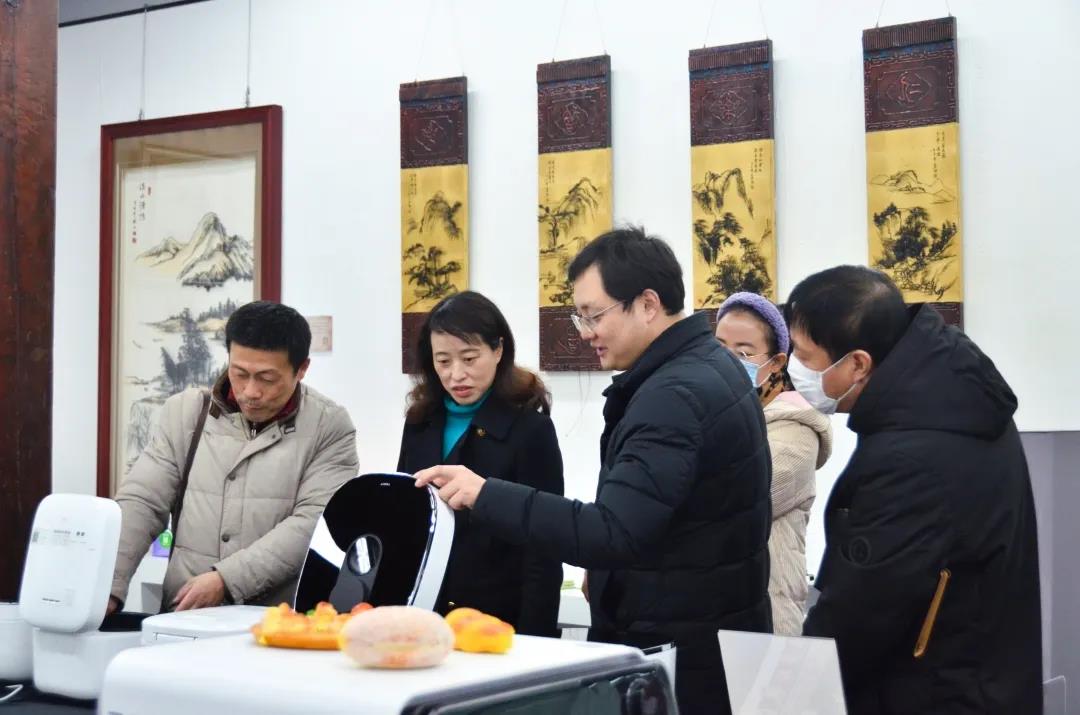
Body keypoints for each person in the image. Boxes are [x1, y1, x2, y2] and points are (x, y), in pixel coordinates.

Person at [415, 227, 772, 714]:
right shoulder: (710, 365)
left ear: (647, 304)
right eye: (579, 317)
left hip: (680, 649)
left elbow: (614, 531)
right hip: (705, 631)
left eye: (593, 315)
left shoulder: (674, 396)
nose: (585, 332)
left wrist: (485, 493)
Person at [785, 266, 1042, 714]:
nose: (795, 368)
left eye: (805, 357)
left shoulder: (911, 457)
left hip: (934, 689)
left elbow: (866, 608)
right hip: (982, 675)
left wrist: (793, 692)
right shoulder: (958, 399)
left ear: (858, 363)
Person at [109, 301, 359, 612]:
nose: (250, 391)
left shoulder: (328, 426)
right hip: (184, 616)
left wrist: (227, 580)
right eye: (240, 374)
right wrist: (109, 586)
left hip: (276, 621)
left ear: (302, 369)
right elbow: (143, 501)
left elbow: (313, 521)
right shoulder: (187, 413)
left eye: (267, 379)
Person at [397, 291, 564, 637]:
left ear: (498, 350)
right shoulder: (420, 421)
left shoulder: (530, 429)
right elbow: (406, 516)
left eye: (469, 358)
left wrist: (535, 636)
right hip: (426, 614)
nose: (456, 374)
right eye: (443, 361)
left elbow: (544, 545)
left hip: (497, 619)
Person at [715, 292, 832, 636]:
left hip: (767, 619)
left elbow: (727, 502)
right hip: (712, 611)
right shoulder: (721, 413)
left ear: (777, 362)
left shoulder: (796, 431)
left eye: (743, 353)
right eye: (718, 347)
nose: (726, 361)